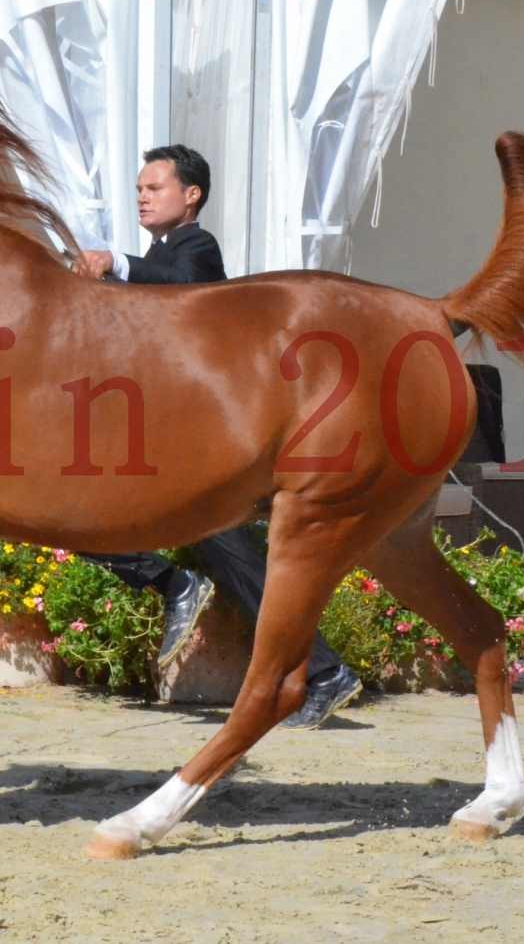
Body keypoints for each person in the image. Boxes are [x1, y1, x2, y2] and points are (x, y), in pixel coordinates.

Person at [76, 145, 362, 728]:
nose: (142, 195)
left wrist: (117, 266)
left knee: (227, 558)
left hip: (206, 441)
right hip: (164, 438)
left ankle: (318, 668)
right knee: (77, 510)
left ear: (191, 196)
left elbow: (182, 287)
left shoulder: (193, 251)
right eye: (138, 188)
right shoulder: (154, 259)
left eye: (154, 186)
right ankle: (181, 587)